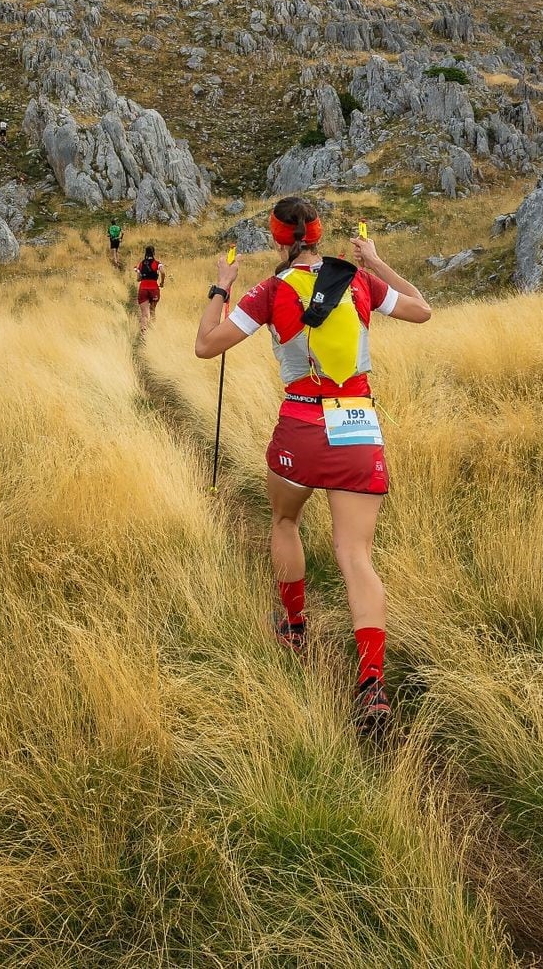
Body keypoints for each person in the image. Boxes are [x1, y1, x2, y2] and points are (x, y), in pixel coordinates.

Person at [193, 196, 432, 739]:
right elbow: (422, 308)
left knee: (284, 521)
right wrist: (373, 259)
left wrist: (221, 286)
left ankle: (294, 628)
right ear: (321, 235)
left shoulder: (270, 291)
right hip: (359, 427)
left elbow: (206, 345)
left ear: (279, 239)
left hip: (301, 428)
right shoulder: (359, 282)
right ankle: (372, 683)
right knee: (356, 554)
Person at [136, 245, 164, 335]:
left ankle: (143, 331)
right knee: (152, 310)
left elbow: (138, 279)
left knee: (144, 313)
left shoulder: (141, 264)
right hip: (154, 289)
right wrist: (162, 282)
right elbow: (163, 272)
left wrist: (139, 274)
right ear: (154, 253)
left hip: (143, 288)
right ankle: (153, 330)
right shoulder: (157, 263)